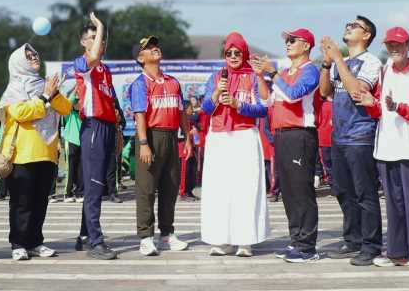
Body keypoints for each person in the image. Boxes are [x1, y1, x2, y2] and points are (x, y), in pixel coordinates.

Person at [360, 27, 409, 274]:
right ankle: (397, 252)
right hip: (386, 145)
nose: (394, 49)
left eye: (398, 44)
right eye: (390, 45)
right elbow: (379, 108)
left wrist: (398, 106)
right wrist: (371, 104)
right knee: (393, 203)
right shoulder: (383, 70)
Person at [318, 17, 384, 266]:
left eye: (355, 25)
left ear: (366, 35)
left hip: (360, 135)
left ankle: (371, 245)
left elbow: (357, 91)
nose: (348, 26)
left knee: (365, 193)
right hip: (339, 135)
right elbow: (325, 92)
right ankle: (353, 239)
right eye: (347, 23)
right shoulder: (341, 63)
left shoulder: (372, 62)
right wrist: (326, 64)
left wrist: (336, 59)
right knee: (343, 191)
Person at [200, 32, 270, 257]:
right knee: (219, 190)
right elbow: (206, 109)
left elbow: (263, 108)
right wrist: (218, 93)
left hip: (244, 137)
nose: (232, 56)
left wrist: (240, 105)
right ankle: (222, 240)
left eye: (237, 52)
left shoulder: (253, 76)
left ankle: (244, 241)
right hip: (219, 137)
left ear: (244, 54)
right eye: (228, 52)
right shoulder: (216, 77)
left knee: (245, 190)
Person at [0, 44, 72, 260]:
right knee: (22, 201)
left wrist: (52, 92)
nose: (34, 57)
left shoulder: (45, 84)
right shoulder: (15, 87)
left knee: (41, 201)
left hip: (47, 151)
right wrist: (44, 98)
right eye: (28, 56)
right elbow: (21, 112)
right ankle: (18, 243)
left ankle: (35, 241)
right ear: (18, 62)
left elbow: (66, 108)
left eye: (35, 54)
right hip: (22, 153)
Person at [259, 28, 322, 264]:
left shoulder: (310, 71)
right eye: (286, 40)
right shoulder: (285, 72)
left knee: (301, 191)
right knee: (288, 191)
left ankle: (307, 247)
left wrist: (273, 74)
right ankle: (296, 240)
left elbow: (294, 95)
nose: (288, 43)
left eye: (293, 40)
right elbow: (268, 101)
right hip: (282, 134)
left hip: (300, 134)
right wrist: (260, 75)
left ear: (306, 46)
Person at [128, 36, 191, 256]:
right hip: (151, 137)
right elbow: (140, 116)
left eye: (156, 46)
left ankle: (167, 234)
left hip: (172, 137)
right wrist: (144, 143)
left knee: (170, 188)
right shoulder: (140, 83)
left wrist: (188, 139)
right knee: (146, 190)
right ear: (140, 57)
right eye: (148, 48)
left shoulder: (173, 81)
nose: (155, 49)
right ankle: (145, 237)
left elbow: (182, 111)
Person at [73, 13, 119, 260]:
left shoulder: (105, 70)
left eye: (99, 38)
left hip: (107, 127)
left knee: (97, 184)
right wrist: (101, 24)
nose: (97, 42)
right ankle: (95, 241)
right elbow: (92, 57)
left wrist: (118, 131)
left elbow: (111, 102)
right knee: (93, 187)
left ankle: (83, 235)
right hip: (92, 127)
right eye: (92, 38)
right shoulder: (82, 64)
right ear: (84, 42)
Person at [62, 90, 83, 202]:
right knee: (70, 168)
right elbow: (69, 101)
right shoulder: (68, 113)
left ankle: (79, 193)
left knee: (81, 168)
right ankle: (67, 193)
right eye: (77, 102)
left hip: (82, 142)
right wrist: (76, 92)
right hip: (70, 141)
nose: (78, 104)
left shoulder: (83, 114)